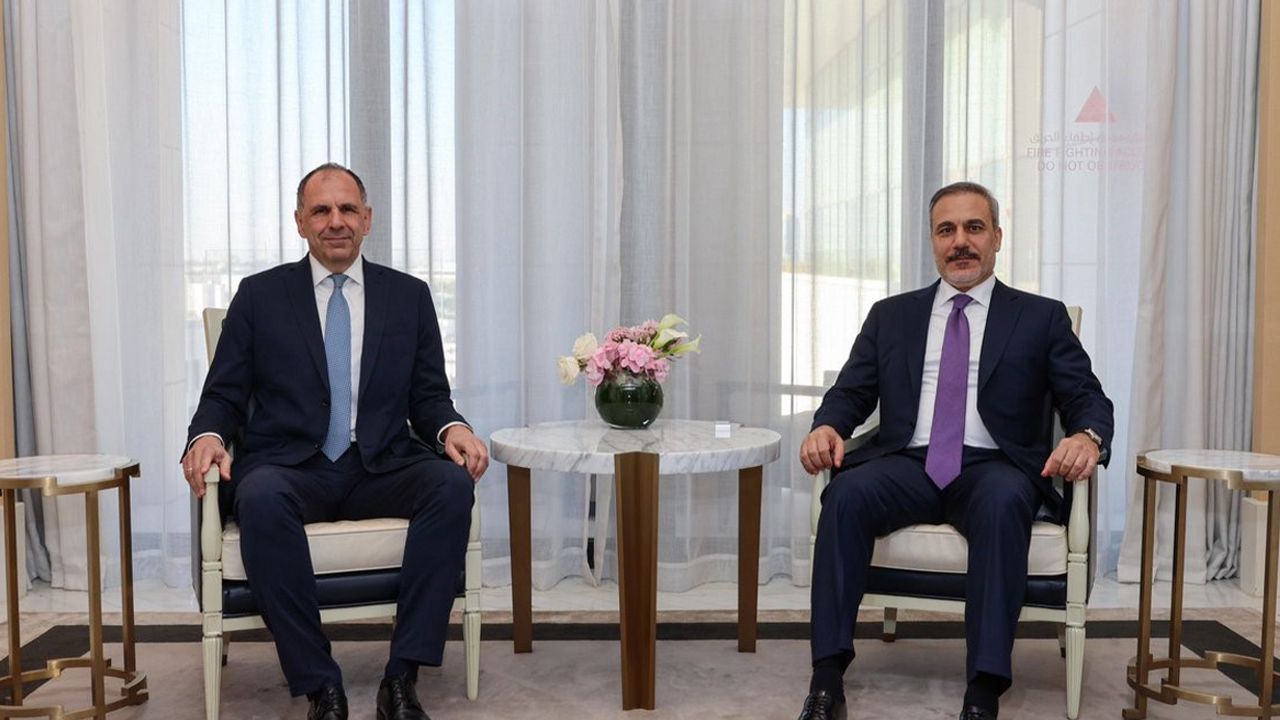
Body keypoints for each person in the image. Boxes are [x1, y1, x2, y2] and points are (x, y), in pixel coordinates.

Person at [794, 182, 1113, 720]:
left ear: (997, 238)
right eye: (947, 230)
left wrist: (1087, 437)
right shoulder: (891, 315)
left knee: (1002, 502)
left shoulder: (1040, 317)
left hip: (994, 467)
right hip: (908, 462)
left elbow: (1086, 396)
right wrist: (826, 425)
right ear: (933, 242)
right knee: (845, 495)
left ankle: (983, 691)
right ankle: (826, 680)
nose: (960, 241)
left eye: (974, 228)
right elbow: (851, 392)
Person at [182, 162, 488, 720]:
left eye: (347, 209)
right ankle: (321, 685)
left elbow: (429, 397)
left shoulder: (409, 296)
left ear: (367, 219)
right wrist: (206, 436)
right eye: (321, 210)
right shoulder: (259, 296)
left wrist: (454, 428)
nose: (336, 221)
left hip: (380, 465)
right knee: (259, 496)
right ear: (300, 222)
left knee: (449, 486)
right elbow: (223, 393)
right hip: (291, 469)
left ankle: (402, 678)